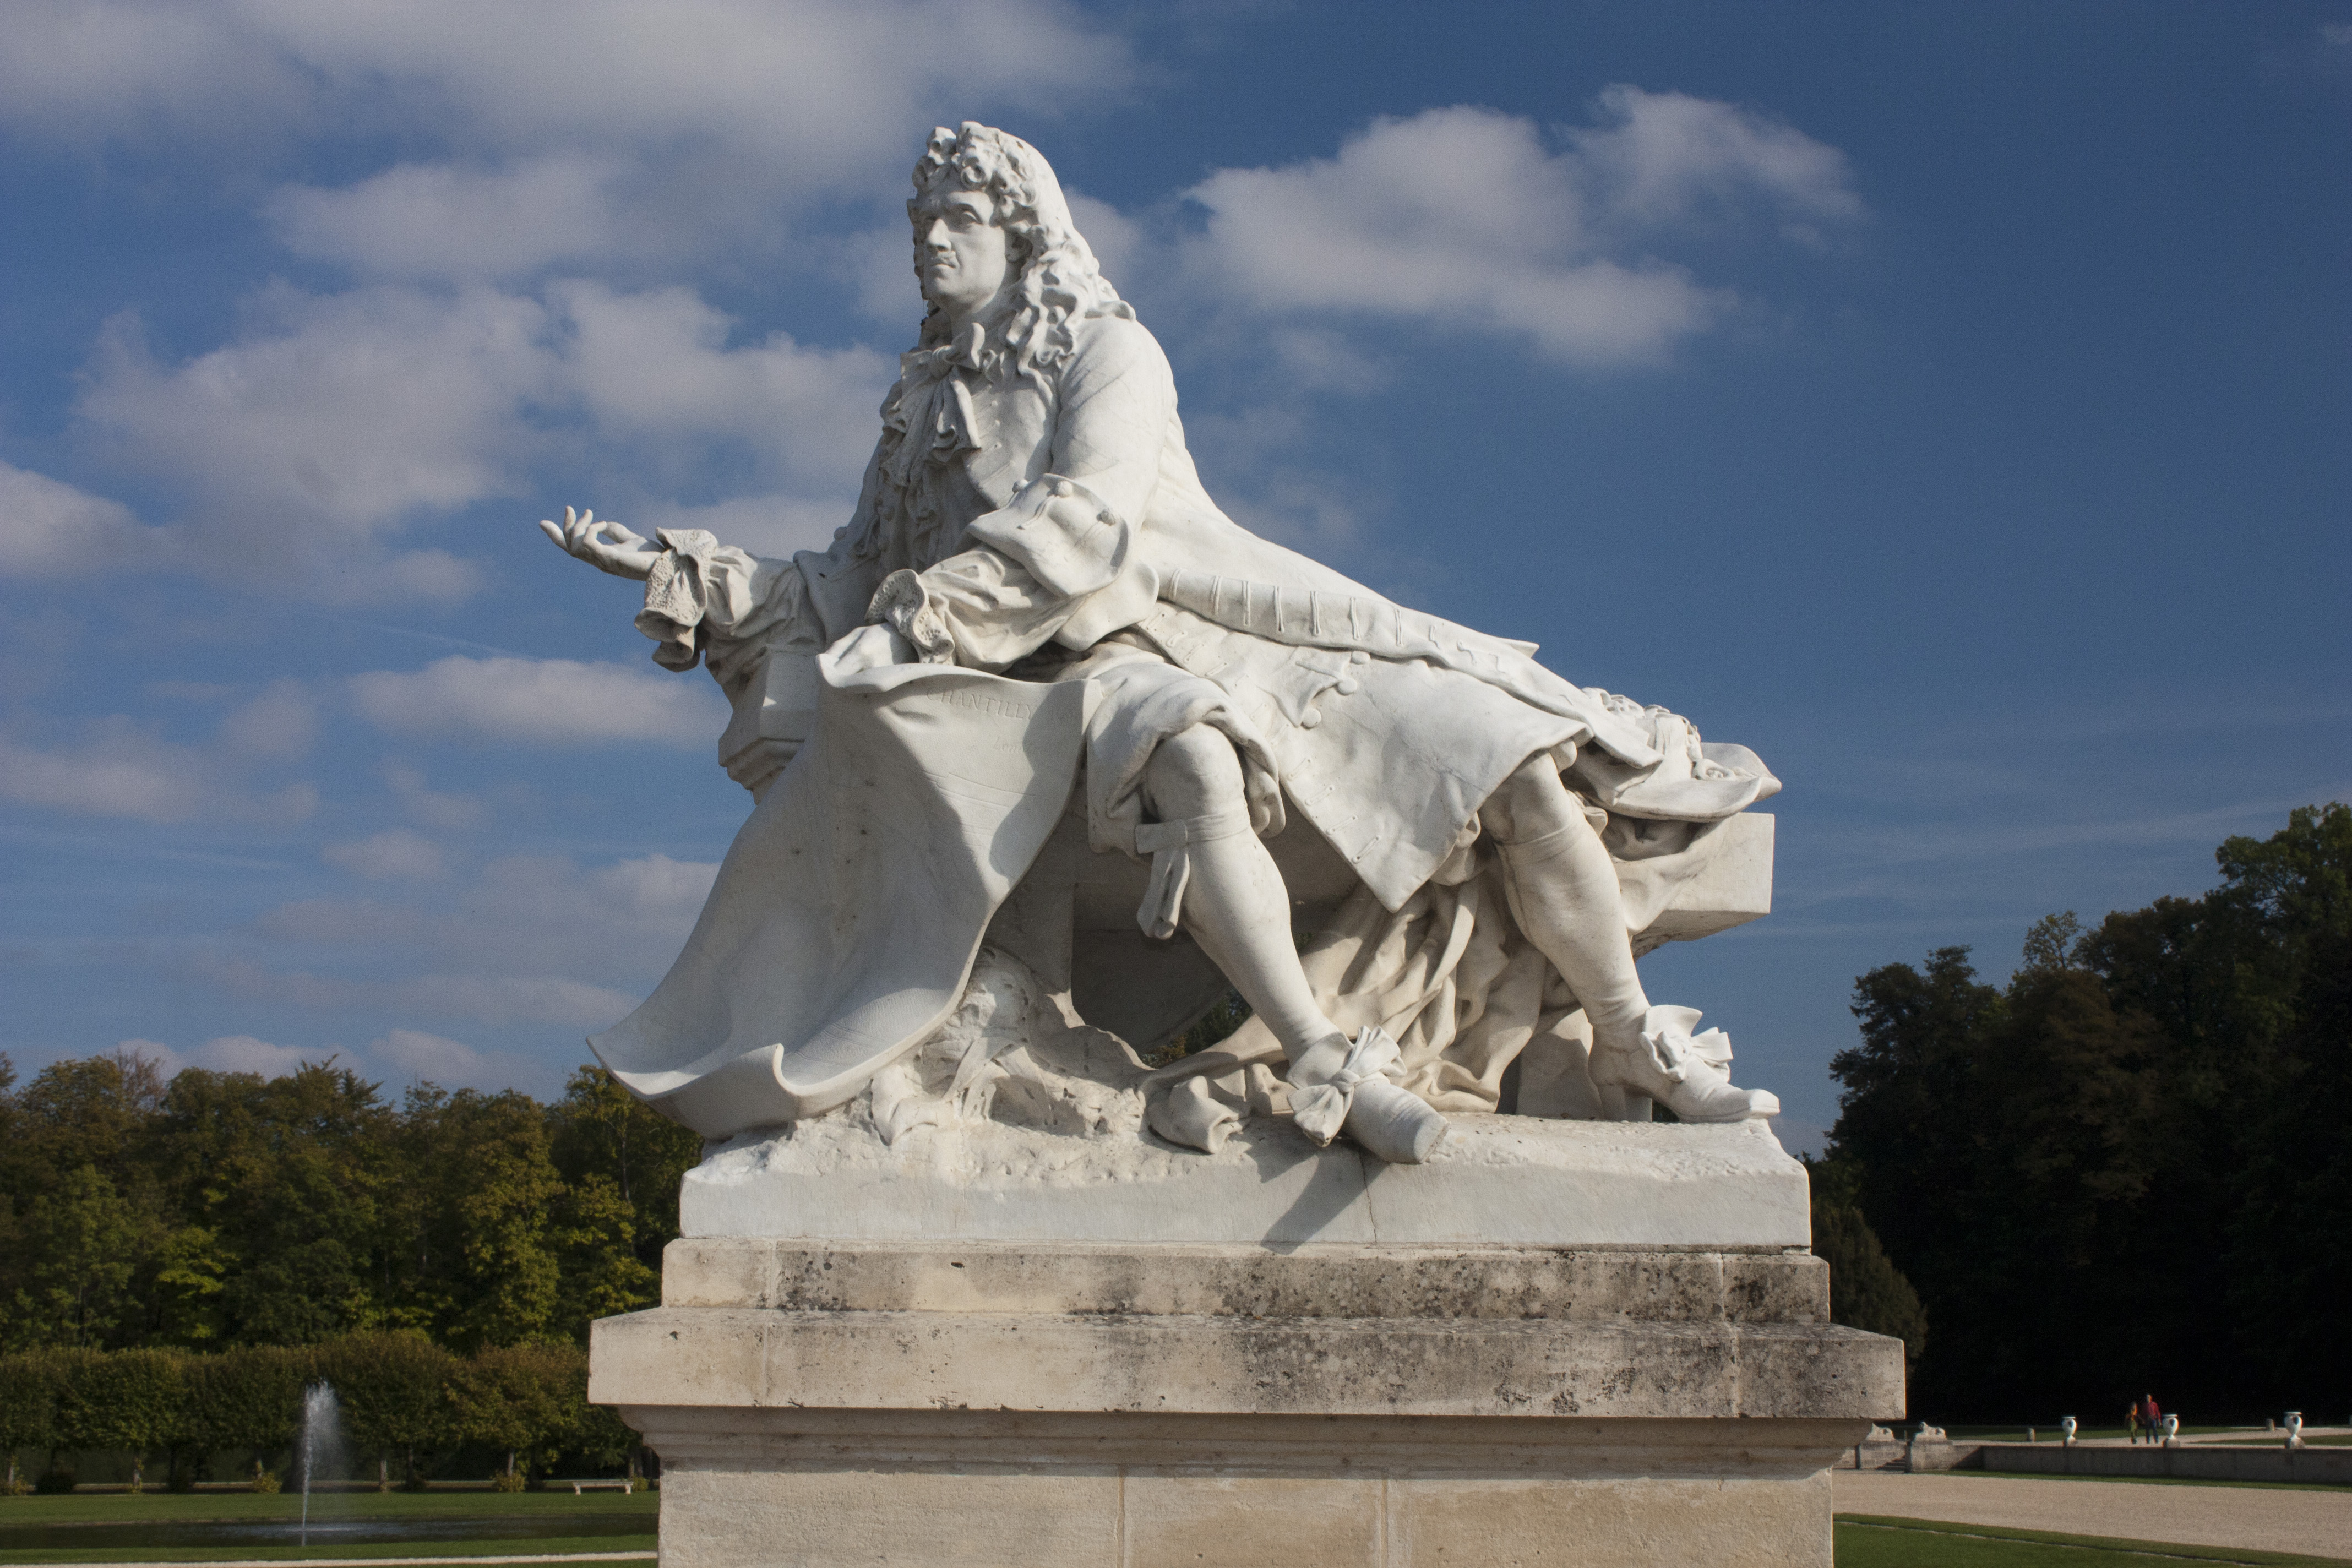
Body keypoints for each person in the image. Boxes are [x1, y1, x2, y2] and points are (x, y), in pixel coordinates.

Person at [543, 123, 1781, 1162]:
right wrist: (705, 579)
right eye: (921, 224)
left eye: (961, 217)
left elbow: (1085, 523)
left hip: (1215, 629)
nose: (932, 242)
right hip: (1060, 681)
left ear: (1022, 233)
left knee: (1516, 753)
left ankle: (1627, 1030)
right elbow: (856, 570)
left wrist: (926, 611)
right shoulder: (917, 405)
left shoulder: (1107, 350)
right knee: (1188, 756)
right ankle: (1321, 1061)